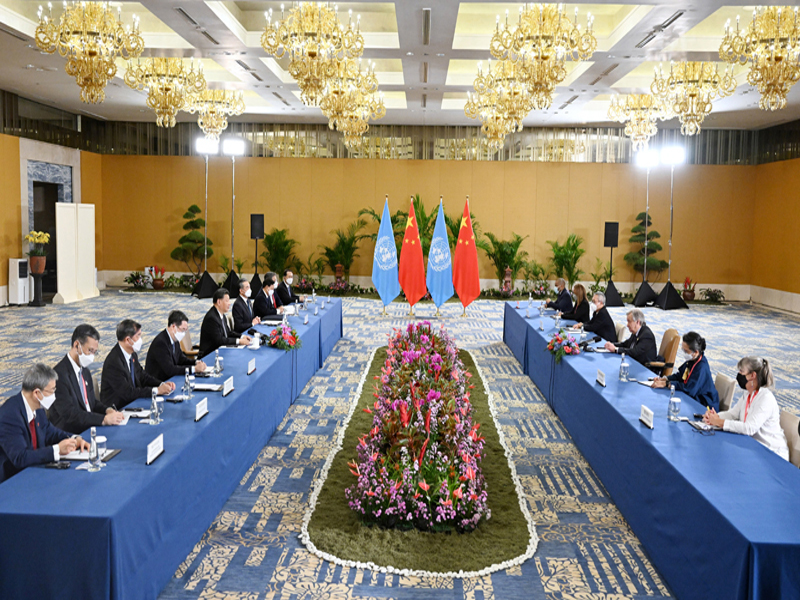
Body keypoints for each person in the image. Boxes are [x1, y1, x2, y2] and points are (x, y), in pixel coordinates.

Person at [0, 364, 89, 483]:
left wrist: (74, 439)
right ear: (37, 393)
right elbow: (20, 458)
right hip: (13, 480)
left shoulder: (38, 408)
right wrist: (57, 450)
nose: (54, 395)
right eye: (52, 391)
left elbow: (51, 432)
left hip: (35, 471)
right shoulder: (9, 416)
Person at [704, 356, 789, 460]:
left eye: (742, 371)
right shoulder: (748, 393)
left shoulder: (765, 398)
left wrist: (719, 422)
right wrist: (715, 416)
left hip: (771, 453)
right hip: (752, 446)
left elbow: (749, 428)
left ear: (752, 375)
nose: (739, 375)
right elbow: (733, 414)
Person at [49, 324, 125, 434]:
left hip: (89, 427)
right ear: (76, 345)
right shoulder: (58, 375)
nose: (92, 356)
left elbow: (91, 402)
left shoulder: (85, 371)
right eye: (90, 350)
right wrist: (103, 420)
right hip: (71, 434)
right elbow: (69, 414)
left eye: (94, 352)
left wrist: (107, 410)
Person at [100, 319, 174, 409]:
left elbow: (142, 376)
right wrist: (156, 391)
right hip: (118, 409)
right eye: (138, 336)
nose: (141, 339)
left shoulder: (132, 354)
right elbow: (127, 393)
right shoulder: (113, 363)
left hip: (133, 402)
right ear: (128, 340)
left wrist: (161, 384)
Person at [653, 332, 719, 410]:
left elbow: (689, 390)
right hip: (692, 399)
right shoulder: (692, 360)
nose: (684, 353)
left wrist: (667, 384)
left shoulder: (701, 367)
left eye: (686, 351)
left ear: (696, 352)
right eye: (683, 350)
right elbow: (680, 375)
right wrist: (665, 379)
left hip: (704, 405)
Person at [145, 311, 207, 381]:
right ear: (173, 327)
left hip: (170, 379)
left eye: (186, 330)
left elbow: (180, 359)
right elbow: (170, 370)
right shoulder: (160, 343)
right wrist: (194, 369)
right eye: (183, 330)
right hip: (159, 382)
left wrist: (195, 362)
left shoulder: (174, 339)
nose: (184, 333)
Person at [199, 288, 253, 358]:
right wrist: (239, 341)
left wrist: (242, 336)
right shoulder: (211, 318)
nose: (229, 303)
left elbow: (228, 332)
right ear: (219, 302)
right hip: (210, 355)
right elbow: (219, 341)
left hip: (221, 350)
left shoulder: (221, 314)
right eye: (227, 301)